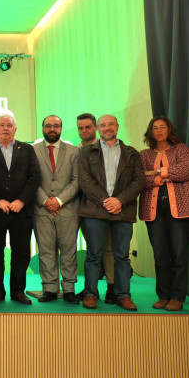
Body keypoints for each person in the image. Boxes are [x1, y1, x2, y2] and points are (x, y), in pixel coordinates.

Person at [78, 114, 143, 311]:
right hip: (95, 210)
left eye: (111, 124)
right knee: (93, 255)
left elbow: (139, 181)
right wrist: (106, 201)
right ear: (98, 128)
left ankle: (123, 295)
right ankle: (90, 294)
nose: (107, 128)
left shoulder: (131, 153)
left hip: (123, 211)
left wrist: (119, 200)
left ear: (117, 126)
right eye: (103, 125)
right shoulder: (87, 153)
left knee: (122, 256)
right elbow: (84, 179)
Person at [0, 110, 41, 305]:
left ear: (15, 129)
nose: (5, 128)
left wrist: (21, 200)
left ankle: (18, 291)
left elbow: (35, 177)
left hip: (21, 210)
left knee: (21, 252)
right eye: (1, 125)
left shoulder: (27, 150)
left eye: (9, 125)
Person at [139, 116, 189, 311]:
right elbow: (139, 178)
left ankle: (177, 296)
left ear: (169, 130)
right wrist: (157, 180)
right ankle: (163, 295)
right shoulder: (144, 155)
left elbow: (187, 170)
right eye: (155, 128)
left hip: (179, 208)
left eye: (162, 127)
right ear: (150, 132)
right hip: (153, 210)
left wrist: (158, 172)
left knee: (178, 254)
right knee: (160, 255)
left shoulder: (182, 150)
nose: (159, 131)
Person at [33, 115, 81, 304]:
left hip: (67, 209)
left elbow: (77, 180)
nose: (52, 129)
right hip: (41, 209)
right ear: (42, 128)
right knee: (46, 251)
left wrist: (59, 200)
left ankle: (69, 289)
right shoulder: (32, 151)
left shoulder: (74, 151)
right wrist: (46, 201)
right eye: (48, 126)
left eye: (56, 126)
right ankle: (50, 289)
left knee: (69, 251)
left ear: (61, 128)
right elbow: (31, 180)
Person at [76, 112, 116, 303]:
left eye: (88, 127)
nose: (84, 131)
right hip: (85, 208)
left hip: (109, 206)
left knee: (109, 248)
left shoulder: (108, 149)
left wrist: (108, 201)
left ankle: (112, 287)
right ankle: (89, 289)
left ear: (96, 128)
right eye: (81, 128)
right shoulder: (75, 151)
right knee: (93, 250)